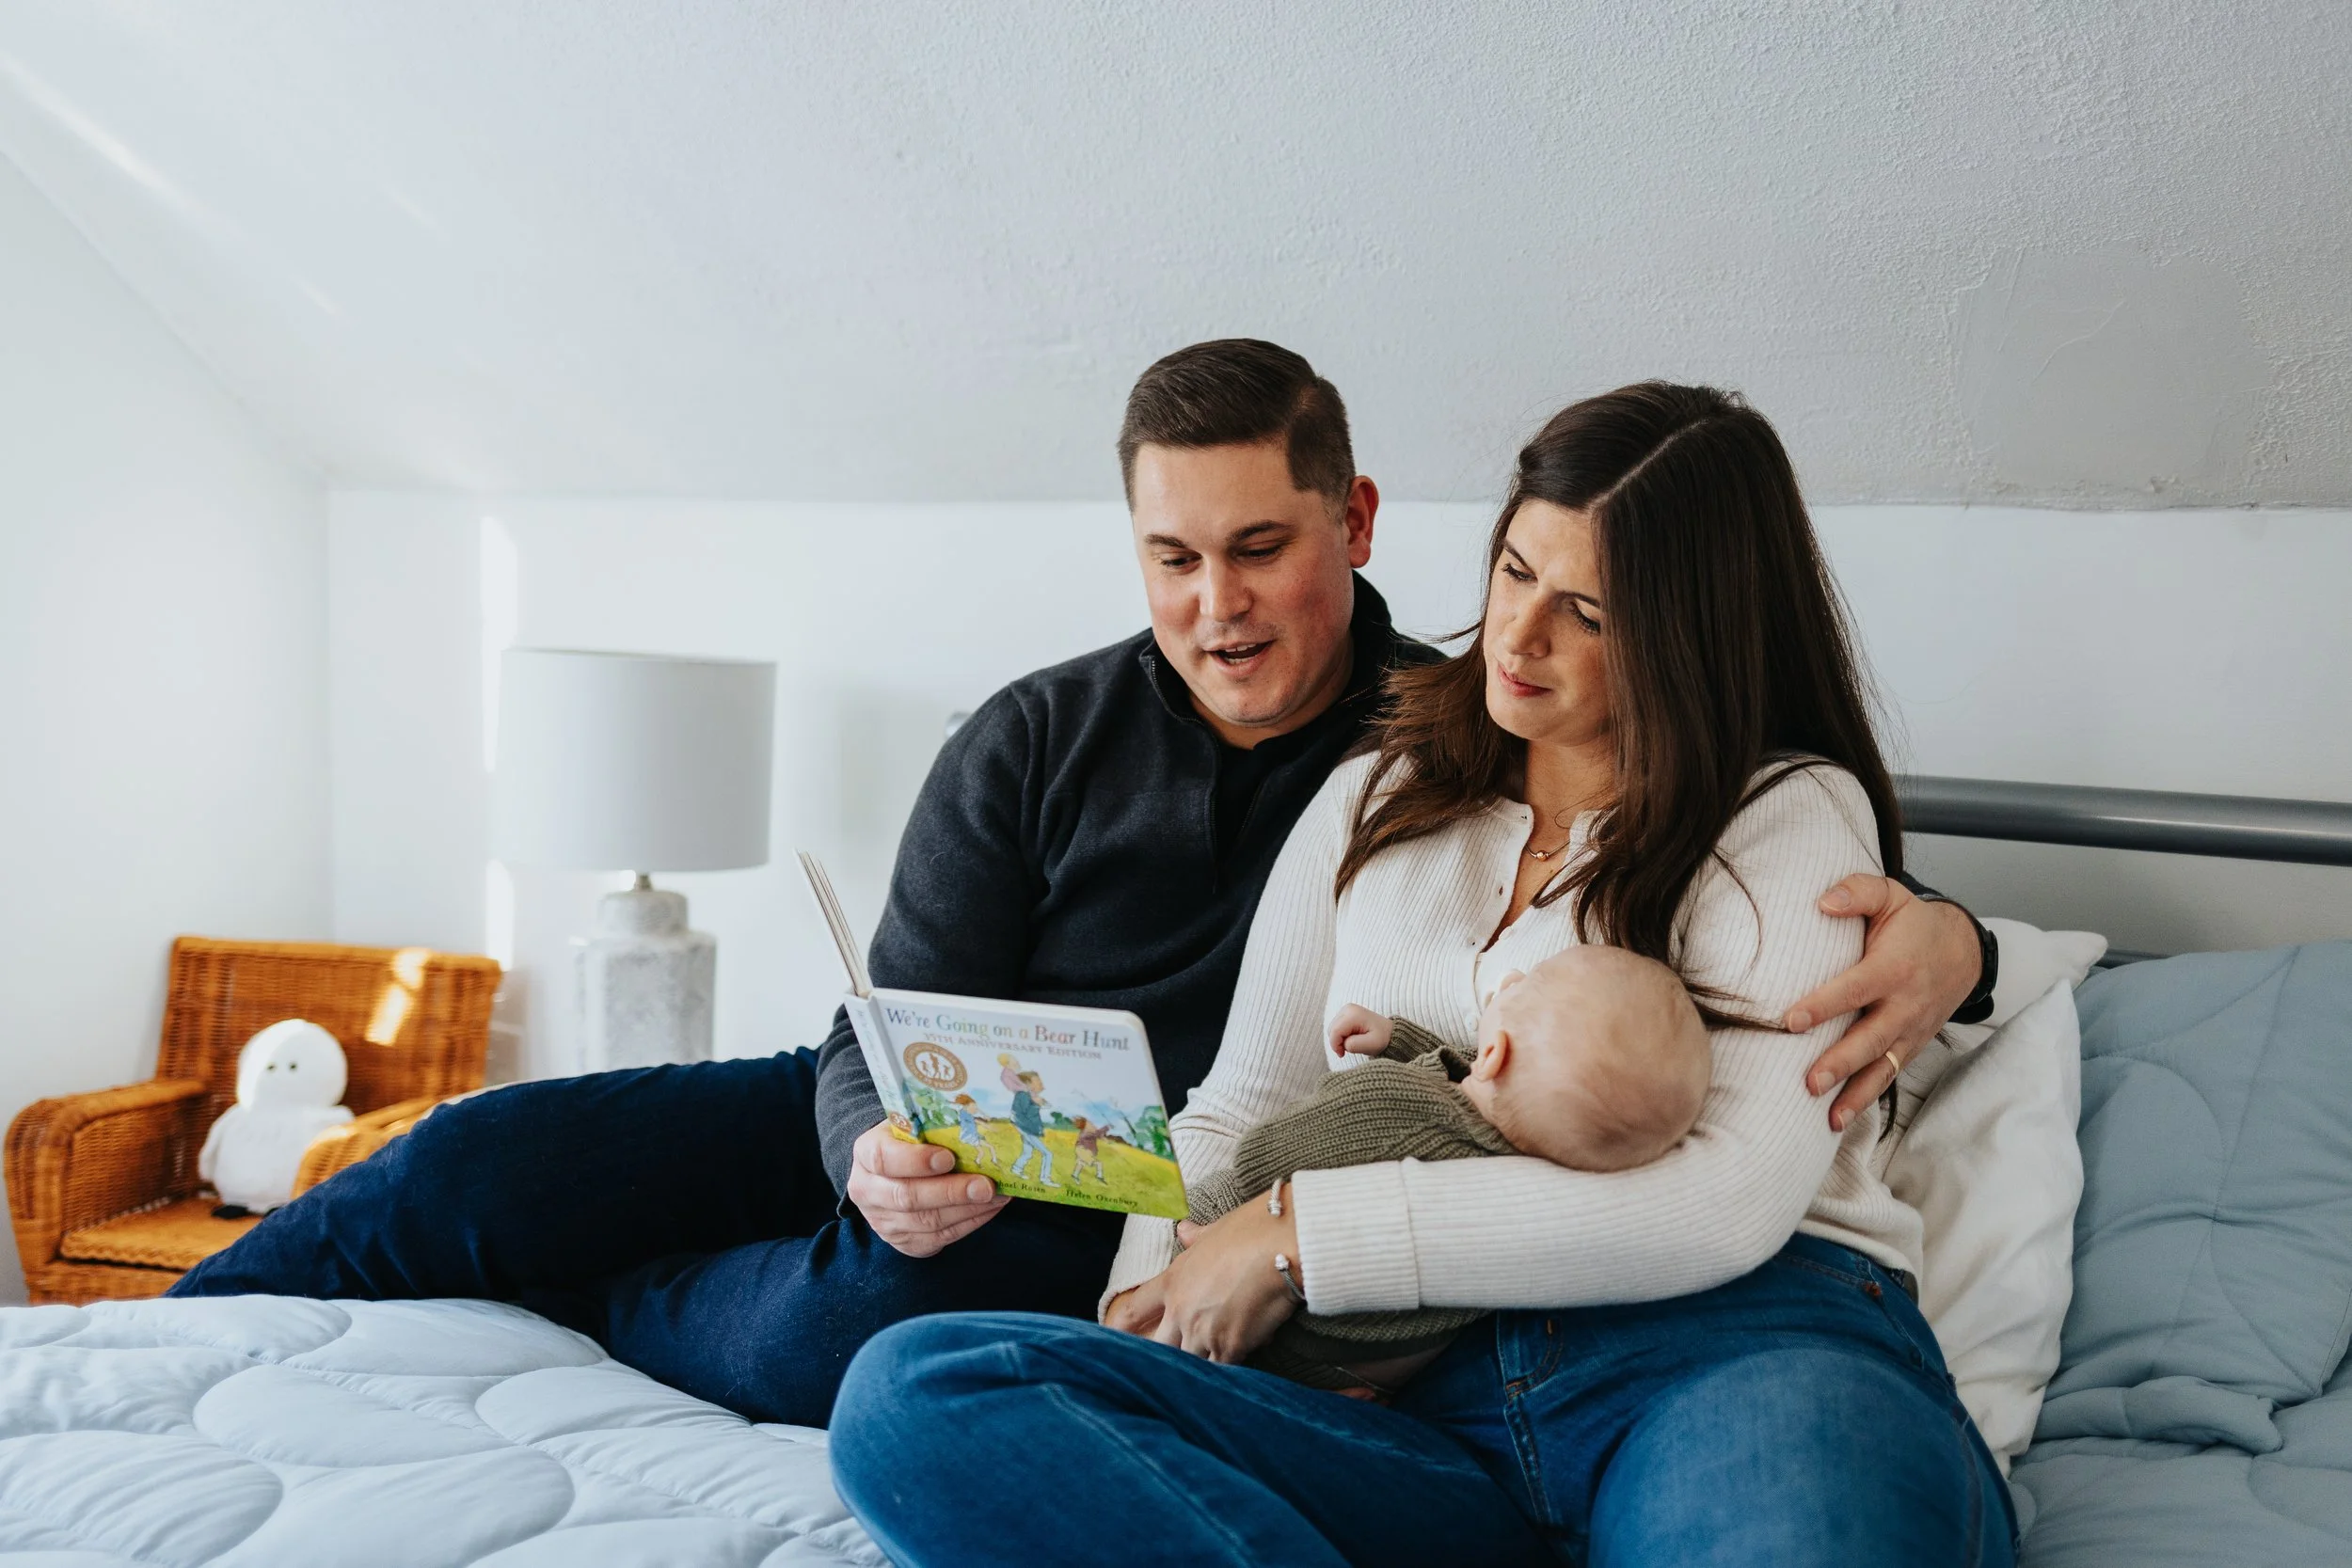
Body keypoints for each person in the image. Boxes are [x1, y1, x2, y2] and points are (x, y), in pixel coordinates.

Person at [170, 343, 1994, 1433]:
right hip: (965, 1139)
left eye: (1262, 550)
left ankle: (578, 1301)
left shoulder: (1451, 731)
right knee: (484, 1157)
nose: (1217, 603)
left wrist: (1959, 938)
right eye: (1172, 556)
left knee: (864, 1328)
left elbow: (1714, 906)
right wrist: (864, 1150)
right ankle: (157, 1344)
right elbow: (880, 1023)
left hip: (1128, 1200)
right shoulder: (1043, 736)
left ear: (1354, 524)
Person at [830, 383, 2017, 1567]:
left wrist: (1302, 1236)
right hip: (1403, 1397)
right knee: (919, 1389)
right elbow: (1240, 1106)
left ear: (1697, 629)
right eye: (1512, 572)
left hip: (1727, 1350)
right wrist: (1152, 1313)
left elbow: (1718, 1204)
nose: (1516, 637)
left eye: (1587, 611)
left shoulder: (1787, 813)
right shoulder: (1377, 791)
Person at [1183, 945, 1710, 1395]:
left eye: (1530, 984)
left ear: (1495, 1052)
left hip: (1275, 1330)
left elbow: (1266, 1155)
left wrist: (1219, 1224)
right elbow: (1464, 1076)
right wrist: (1396, 1039)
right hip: (1363, 1364)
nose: (1515, 976)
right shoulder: (1523, 1167)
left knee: (1194, 1211)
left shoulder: (1385, 1104)